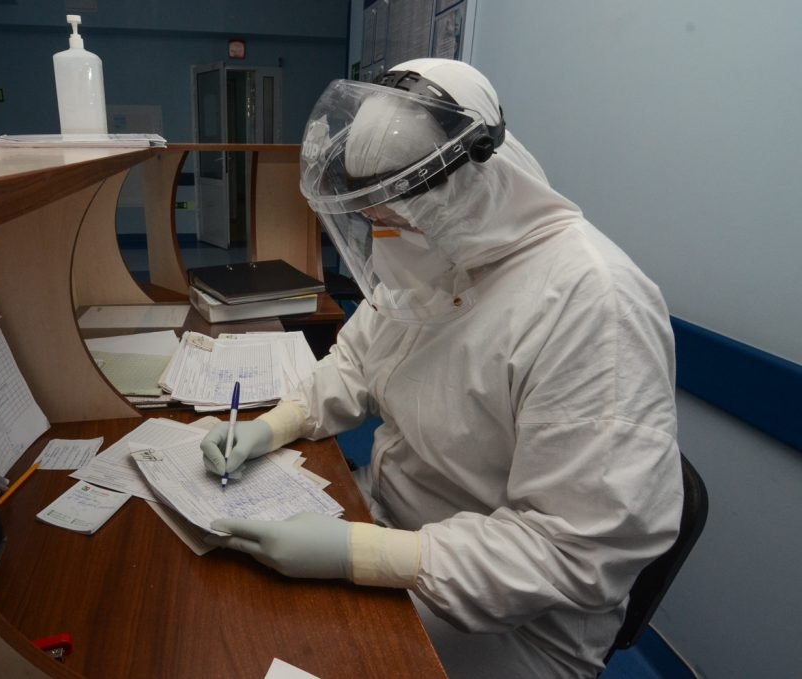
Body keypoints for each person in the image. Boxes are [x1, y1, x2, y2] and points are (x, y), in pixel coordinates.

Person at [200, 58, 683, 678]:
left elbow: (571, 553)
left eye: (396, 215)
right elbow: (356, 361)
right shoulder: (436, 255)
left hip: (514, 621)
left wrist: (359, 553)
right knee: (234, 612)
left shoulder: (594, 303)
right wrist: (274, 424)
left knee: (274, 649)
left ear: (468, 182)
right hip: (389, 524)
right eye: (372, 217)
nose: (383, 233)